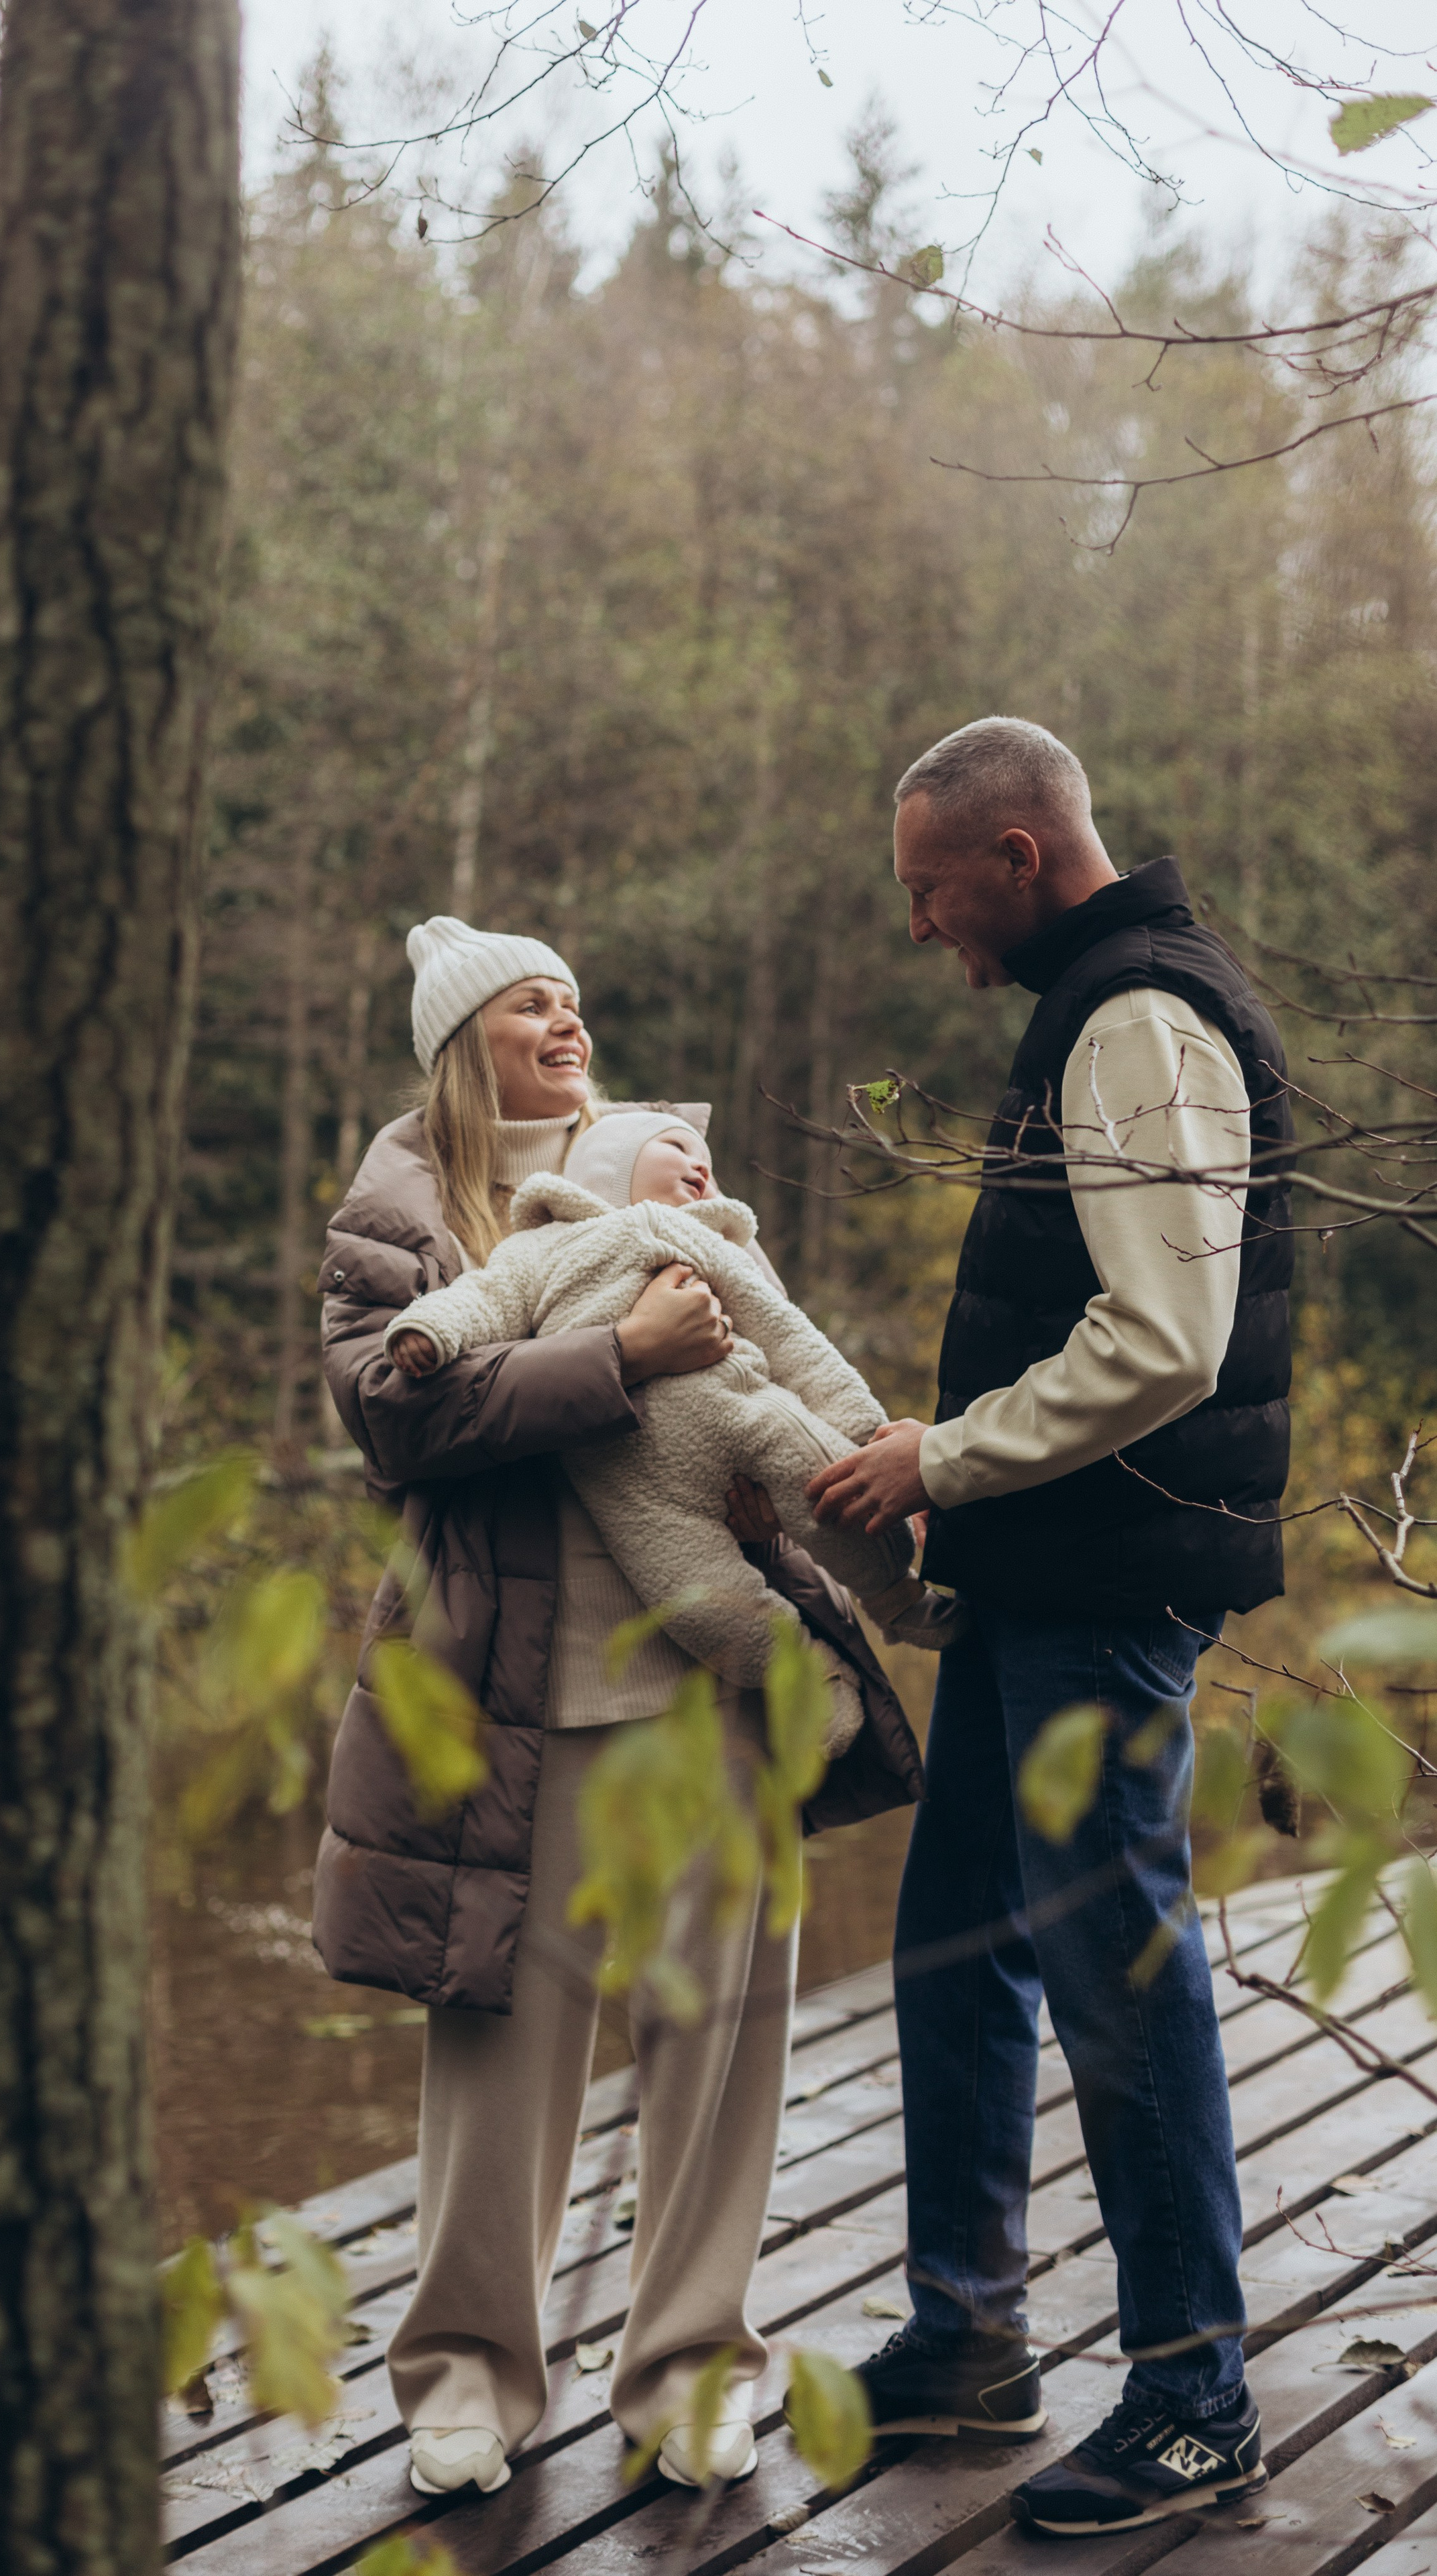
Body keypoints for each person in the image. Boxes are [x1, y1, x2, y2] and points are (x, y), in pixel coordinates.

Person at [312, 915, 925, 2502]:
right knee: (498, 2057)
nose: (567, 1022)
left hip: (713, 1682)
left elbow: (762, 1367)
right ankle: (465, 2377)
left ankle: (687, 2369)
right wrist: (613, 1349)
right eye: (533, 1003)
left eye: (577, 997)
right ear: (468, 1043)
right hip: (508, 1697)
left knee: (720, 2041)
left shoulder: (666, 1165)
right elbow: (397, 1420)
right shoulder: (395, 1209)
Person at [809, 720, 1291, 2534]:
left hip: (1110, 1583)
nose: (926, 927)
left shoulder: (1140, 1021)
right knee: (956, 1948)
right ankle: (969, 2336)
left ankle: (1194, 2397)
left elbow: (1164, 1343)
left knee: (1119, 1978)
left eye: (932, 890)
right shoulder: (1092, 1004)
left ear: (1017, 855)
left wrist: (943, 1454)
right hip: (1041, 1574)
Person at [385, 1107, 962, 1671]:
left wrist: (867, 1435)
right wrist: (431, 1328)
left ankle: (894, 1597)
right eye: (679, 1148)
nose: (700, 1164)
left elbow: (789, 1337)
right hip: (623, 1477)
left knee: (824, 1481)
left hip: (744, 1409)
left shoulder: (699, 1238)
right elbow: (485, 1298)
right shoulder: (536, 1249)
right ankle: (808, 1680)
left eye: (706, 1157)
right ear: (612, 1166)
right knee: (695, 1602)